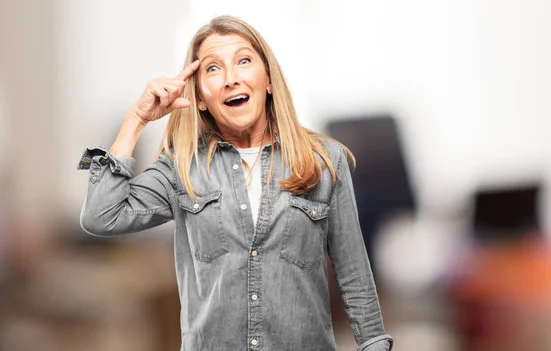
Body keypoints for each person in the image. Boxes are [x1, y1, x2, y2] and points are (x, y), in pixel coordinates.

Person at [77, 15, 392, 351]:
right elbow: (101, 215)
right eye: (212, 68)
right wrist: (136, 118)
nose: (230, 79)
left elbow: (355, 277)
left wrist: (373, 344)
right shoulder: (181, 168)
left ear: (268, 79)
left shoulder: (324, 161)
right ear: (200, 97)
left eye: (243, 60)